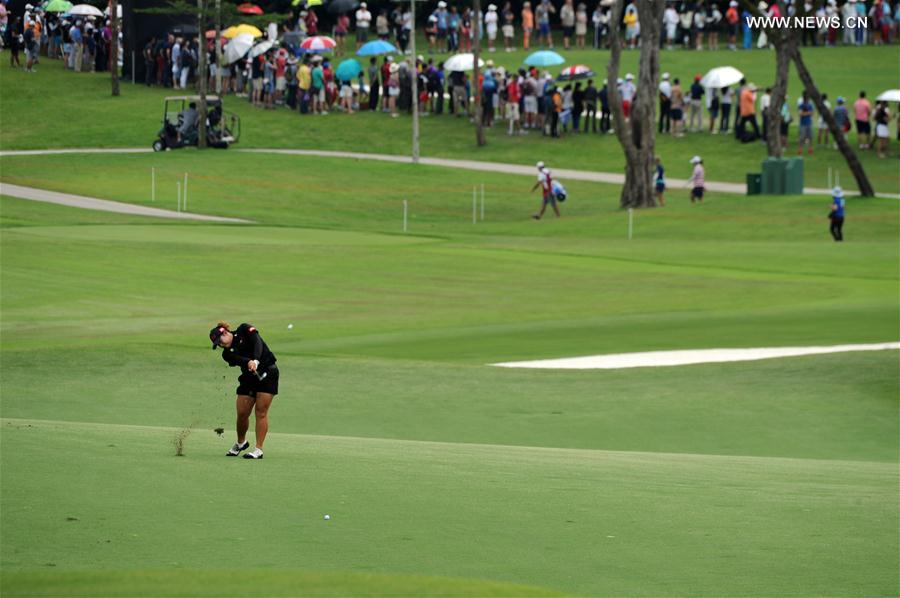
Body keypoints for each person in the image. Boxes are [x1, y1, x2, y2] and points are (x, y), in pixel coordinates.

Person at [210, 322, 279, 460]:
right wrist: (249, 362)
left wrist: (256, 361)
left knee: (261, 412)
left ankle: (258, 449)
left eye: (220, 341)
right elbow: (240, 360)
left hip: (268, 372)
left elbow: (258, 343)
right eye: (217, 344)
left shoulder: (244, 329)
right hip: (248, 377)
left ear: (225, 333)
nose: (220, 345)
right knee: (242, 413)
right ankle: (241, 443)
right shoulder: (226, 354)